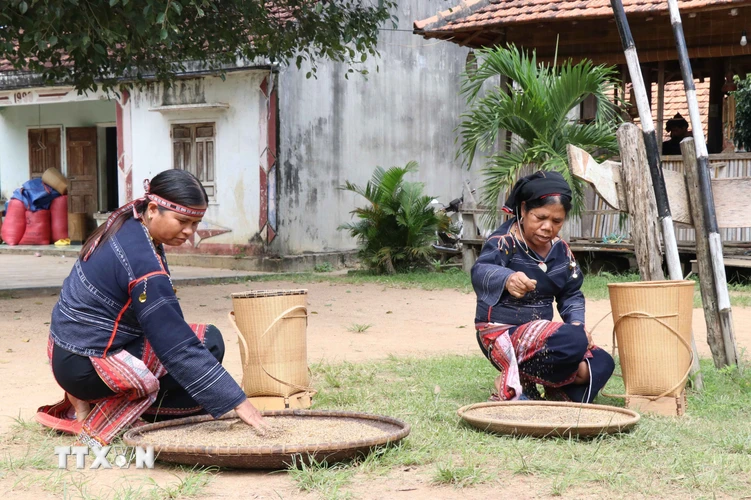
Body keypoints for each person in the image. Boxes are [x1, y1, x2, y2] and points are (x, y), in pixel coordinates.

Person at [36, 170, 268, 447]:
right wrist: (237, 402)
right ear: (154, 209)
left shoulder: (125, 221)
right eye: (182, 221)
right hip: (88, 367)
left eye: (196, 223)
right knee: (208, 346)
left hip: (66, 350)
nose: (190, 232)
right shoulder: (143, 265)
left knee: (198, 356)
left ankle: (88, 402)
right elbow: (176, 345)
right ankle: (122, 411)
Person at [471, 171, 614, 403]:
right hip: (501, 334)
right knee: (573, 341)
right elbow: (481, 270)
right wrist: (508, 278)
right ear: (524, 209)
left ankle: (545, 391)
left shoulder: (561, 251)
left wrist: (577, 324)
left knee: (601, 362)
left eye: (557, 221)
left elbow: (572, 293)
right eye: (540, 217)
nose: (548, 227)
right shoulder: (503, 242)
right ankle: (512, 380)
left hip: (543, 339)